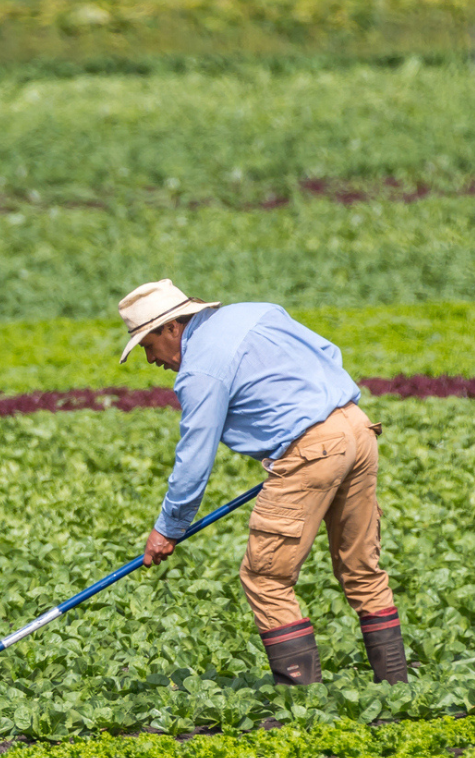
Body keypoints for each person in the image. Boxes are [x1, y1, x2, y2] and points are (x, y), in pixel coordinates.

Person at [118, 279, 407, 685]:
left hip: (312, 451)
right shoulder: (257, 311)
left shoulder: (200, 367)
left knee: (266, 577)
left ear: (171, 327)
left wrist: (168, 528)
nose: (151, 360)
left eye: (148, 346)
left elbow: (195, 458)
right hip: (358, 427)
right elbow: (328, 353)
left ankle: (301, 708)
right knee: (361, 568)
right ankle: (397, 689)